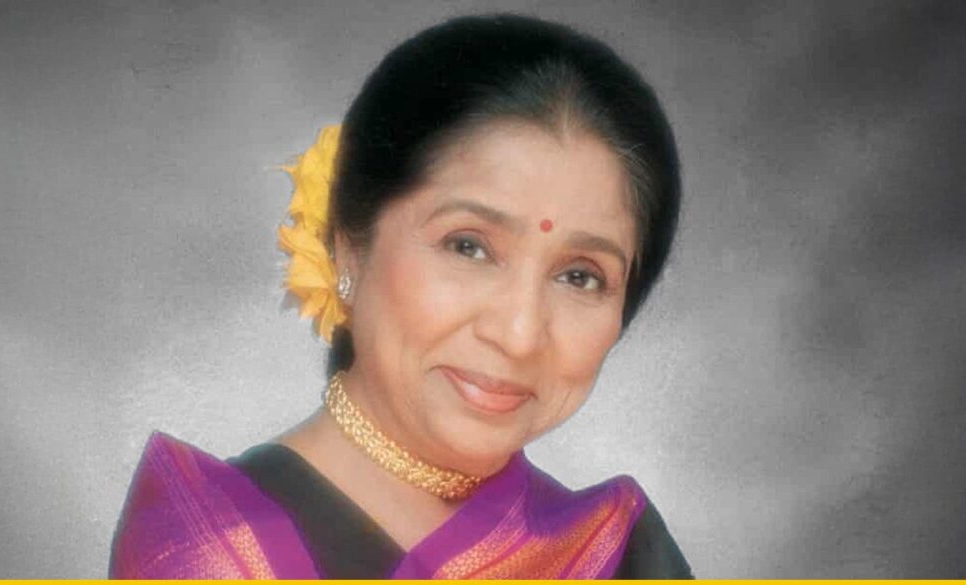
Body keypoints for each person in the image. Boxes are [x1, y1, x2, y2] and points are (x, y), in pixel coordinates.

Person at [110, 13, 691, 579]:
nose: (519, 334)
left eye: (580, 277)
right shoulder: (209, 555)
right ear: (348, 247)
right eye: (468, 246)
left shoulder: (622, 558)